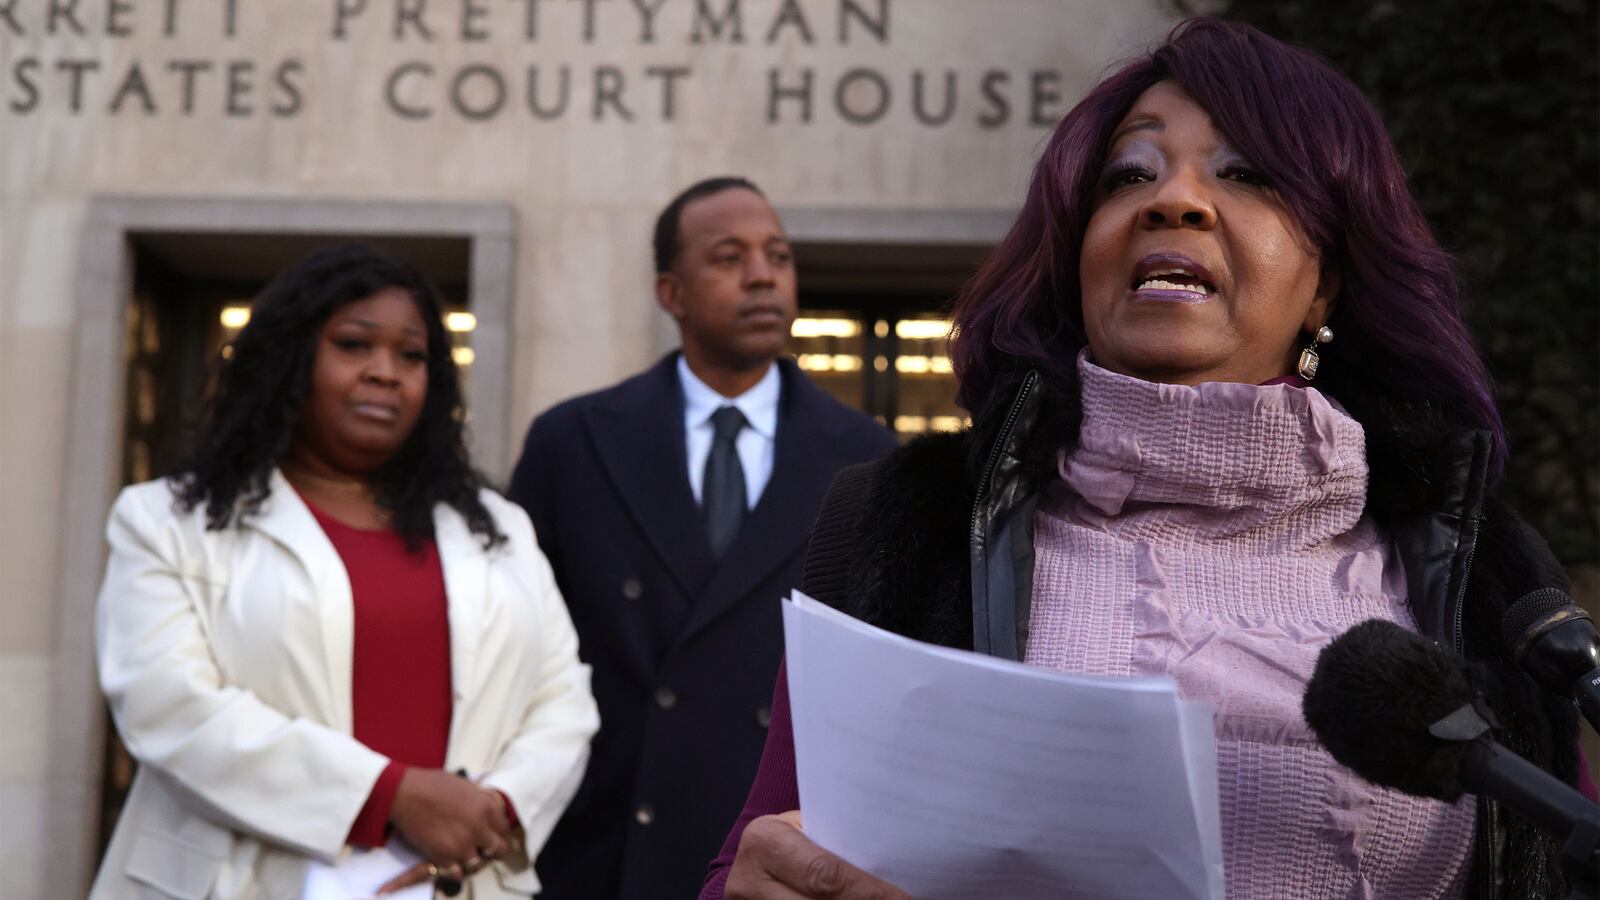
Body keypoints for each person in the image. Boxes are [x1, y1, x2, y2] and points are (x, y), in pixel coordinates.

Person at [702, 19, 1590, 900]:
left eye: (1246, 174)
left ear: (1326, 283)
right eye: (1128, 175)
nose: (1175, 201)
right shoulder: (904, 529)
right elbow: (765, 852)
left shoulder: (1489, 576)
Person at [91, 244, 599, 900]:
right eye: (355, 345)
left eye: (411, 355)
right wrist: (392, 797)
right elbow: (167, 704)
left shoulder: (497, 528)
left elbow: (563, 697)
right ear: (289, 361)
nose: (386, 373)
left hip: (452, 880)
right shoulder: (165, 520)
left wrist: (492, 812)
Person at [507, 176, 898, 899]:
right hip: (599, 852)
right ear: (671, 293)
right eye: (729, 257)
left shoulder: (868, 455)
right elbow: (512, 650)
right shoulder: (573, 442)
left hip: (777, 856)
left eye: (777, 256)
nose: (762, 275)